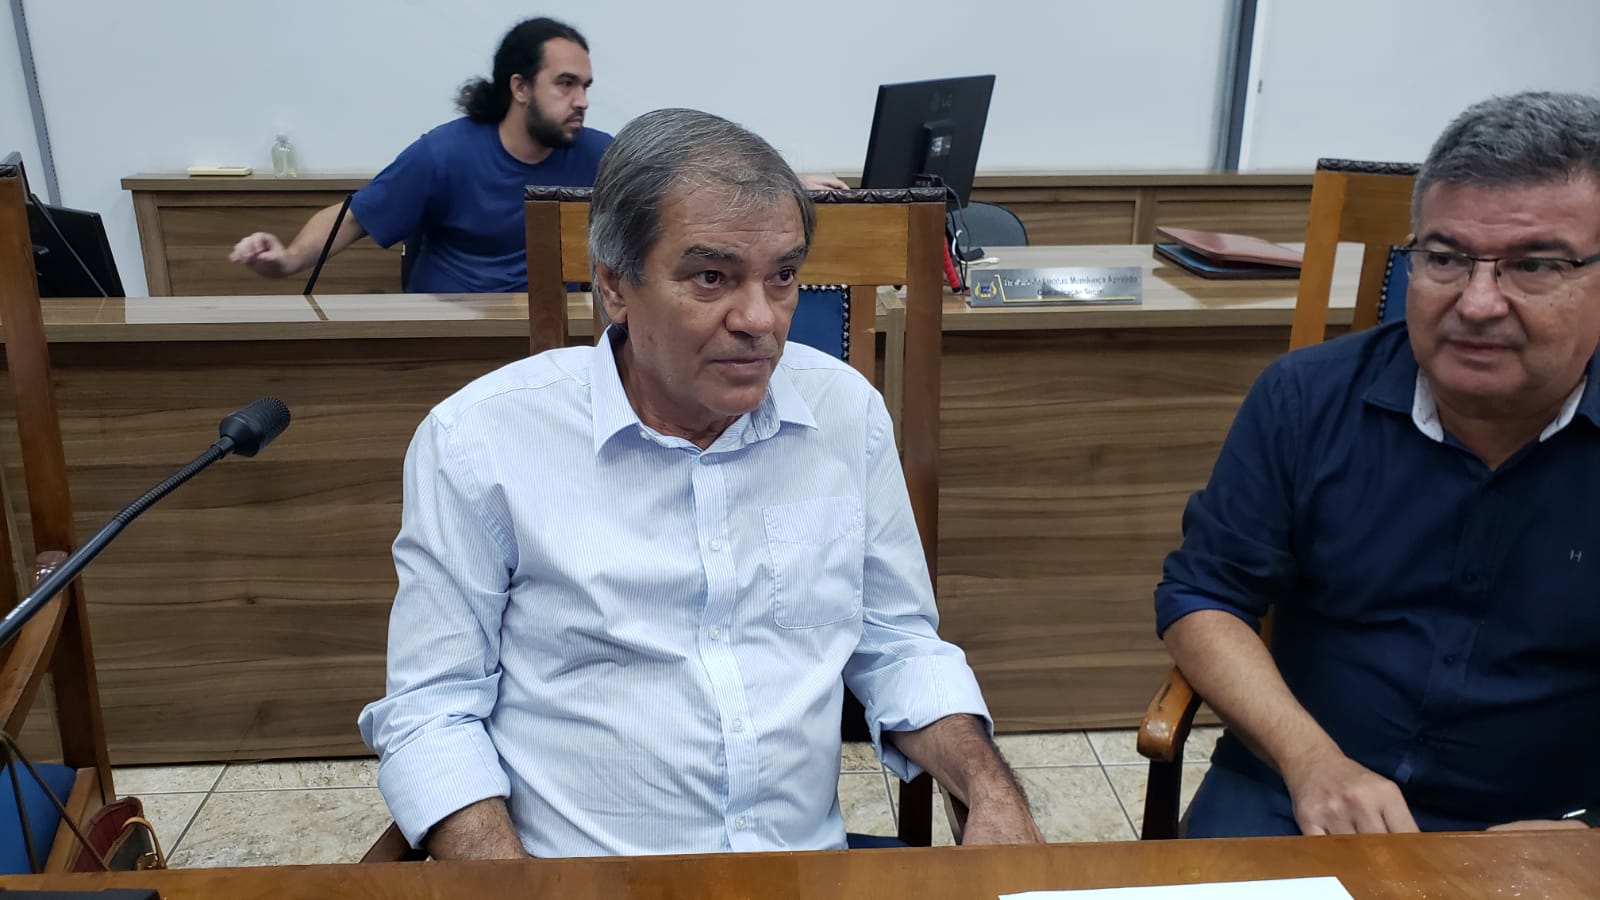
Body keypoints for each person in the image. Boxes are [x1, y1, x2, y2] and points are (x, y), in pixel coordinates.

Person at [357, 107, 1040, 859]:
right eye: (712, 277)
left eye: (783, 276)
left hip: (803, 873)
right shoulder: (480, 440)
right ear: (614, 286)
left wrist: (992, 790)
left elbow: (898, 644)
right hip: (583, 880)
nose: (761, 319)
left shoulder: (844, 413)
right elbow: (433, 710)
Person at [1155, 91, 1600, 838]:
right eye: (1446, 258)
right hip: (1298, 794)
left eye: (1535, 265)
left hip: (1551, 827)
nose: (1477, 303)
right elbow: (1204, 596)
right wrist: (1311, 762)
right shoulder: (1305, 398)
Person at [229, 17, 846, 294]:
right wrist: (287, 260)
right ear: (520, 87)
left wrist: (784, 181)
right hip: (451, 339)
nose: (582, 101)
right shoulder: (444, 153)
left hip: (563, 339)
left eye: (586, 86)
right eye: (566, 84)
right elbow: (354, 216)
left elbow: (689, 177)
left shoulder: (601, 155)